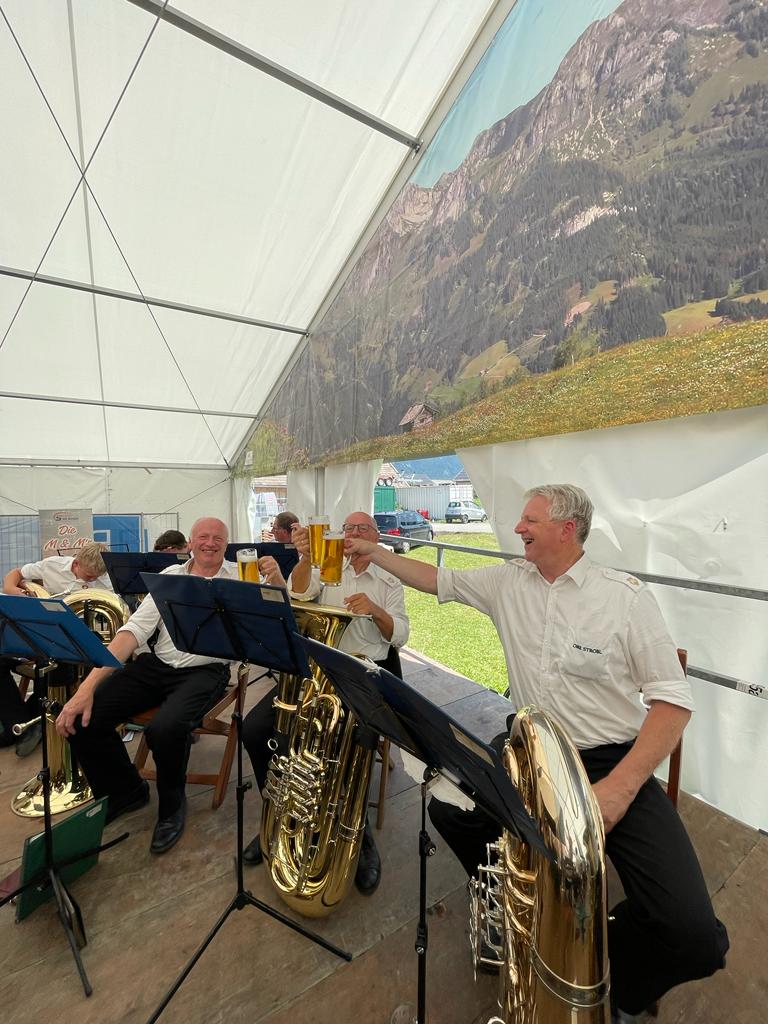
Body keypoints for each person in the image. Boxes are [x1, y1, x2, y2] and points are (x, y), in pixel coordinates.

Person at [344, 484, 729, 1020]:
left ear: (567, 529)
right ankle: (502, 898)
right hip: (529, 752)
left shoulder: (625, 598)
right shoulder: (508, 581)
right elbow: (438, 580)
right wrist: (375, 552)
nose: (518, 529)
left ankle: (607, 982)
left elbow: (673, 702)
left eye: (530, 520)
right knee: (446, 807)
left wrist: (618, 791)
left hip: (610, 762)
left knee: (694, 938)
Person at [241, 511, 410, 896]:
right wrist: (303, 559)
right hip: (318, 669)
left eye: (360, 529)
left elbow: (400, 635)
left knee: (356, 736)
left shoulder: (388, 578)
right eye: (347, 528)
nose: (351, 535)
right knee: (255, 728)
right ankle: (277, 808)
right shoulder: (323, 561)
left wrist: (377, 610)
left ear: (375, 536)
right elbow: (299, 596)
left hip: (365, 672)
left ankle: (359, 833)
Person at [55, 518, 237, 855]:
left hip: (206, 670)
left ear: (227, 544)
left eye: (218, 538)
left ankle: (171, 808)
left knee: (165, 730)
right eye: (203, 537)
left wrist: (273, 581)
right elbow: (133, 632)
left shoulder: (241, 577)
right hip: (157, 664)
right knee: (85, 717)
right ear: (190, 544)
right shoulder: (169, 577)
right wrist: (86, 688)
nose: (210, 543)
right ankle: (125, 792)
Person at [0, 542, 112, 756]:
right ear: (76, 563)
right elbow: (15, 574)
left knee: (57, 666)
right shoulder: (53, 565)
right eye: (88, 575)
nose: (90, 580)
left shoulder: (106, 583)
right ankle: (22, 724)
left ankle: (29, 724)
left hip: (71, 642)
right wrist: (13, 590)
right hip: (38, 633)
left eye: (94, 577)